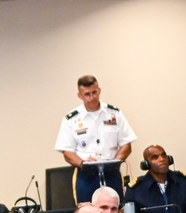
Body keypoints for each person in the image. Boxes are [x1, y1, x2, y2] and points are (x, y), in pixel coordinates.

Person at [54, 75, 137, 203]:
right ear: (80, 96)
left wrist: (115, 162)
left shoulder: (114, 113)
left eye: (94, 92)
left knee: (115, 209)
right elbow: (67, 153)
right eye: (87, 94)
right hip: (86, 174)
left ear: (99, 91)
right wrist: (83, 164)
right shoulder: (71, 119)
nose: (92, 97)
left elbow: (126, 144)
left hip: (112, 172)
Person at [124, 144, 186, 213]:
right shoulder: (136, 189)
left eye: (164, 155)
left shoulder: (185, 182)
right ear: (146, 164)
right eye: (155, 157)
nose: (162, 159)